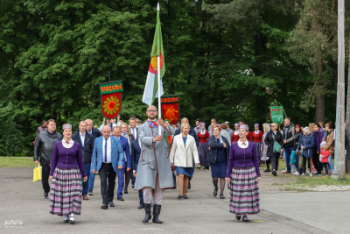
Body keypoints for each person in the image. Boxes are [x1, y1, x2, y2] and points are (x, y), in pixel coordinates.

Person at [134, 105, 175, 224]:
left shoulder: (161, 124)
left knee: (159, 188)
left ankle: (156, 216)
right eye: (150, 110)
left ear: (157, 112)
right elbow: (141, 139)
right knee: (146, 187)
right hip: (147, 160)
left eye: (154, 110)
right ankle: (147, 214)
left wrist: (163, 125)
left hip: (161, 160)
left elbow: (172, 132)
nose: (152, 112)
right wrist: (154, 139)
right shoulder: (141, 126)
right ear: (146, 112)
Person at [49, 123, 87, 224]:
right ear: (63, 133)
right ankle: (65, 215)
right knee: (63, 194)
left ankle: (72, 214)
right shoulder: (57, 144)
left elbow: (80, 161)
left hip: (73, 171)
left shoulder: (77, 145)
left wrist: (84, 174)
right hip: (60, 172)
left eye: (70, 130)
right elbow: (53, 160)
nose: (68, 132)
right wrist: (51, 173)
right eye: (66, 131)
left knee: (74, 193)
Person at [225, 124, 261, 222]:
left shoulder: (252, 145)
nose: (240, 132)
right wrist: (228, 175)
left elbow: (256, 161)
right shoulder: (234, 145)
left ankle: (245, 214)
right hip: (237, 172)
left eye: (242, 130)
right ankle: (238, 211)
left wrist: (258, 174)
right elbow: (231, 160)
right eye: (239, 130)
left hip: (250, 172)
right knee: (238, 193)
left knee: (247, 194)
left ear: (246, 132)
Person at [91, 125, 124, 209]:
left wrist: (120, 162)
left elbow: (120, 152)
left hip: (112, 164)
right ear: (102, 132)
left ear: (110, 132)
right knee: (103, 181)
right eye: (105, 132)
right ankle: (104, 201)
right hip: (102, 164)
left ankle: (110, 199)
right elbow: (94, 154)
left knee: (112, 182)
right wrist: (93, 167)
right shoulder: (97, 140)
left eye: (108, 132)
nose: (106, 134)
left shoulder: (115, 140)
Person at [34, 119, 63, 199]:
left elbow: (63, 148)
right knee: (44, 179)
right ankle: (46, 190)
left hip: (56, 162)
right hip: (44, 160)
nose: (53, 126)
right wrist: (36, 158)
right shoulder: (41, 135)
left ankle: (57, 192)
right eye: (51, 124)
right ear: (47, 125)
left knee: (57, 179)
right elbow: (36, 147)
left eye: (54, 124)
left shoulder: (59, 136)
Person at [170, 123, 200, 199]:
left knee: (186, 176)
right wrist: (171, 159)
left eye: (188, 129)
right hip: (179, 159)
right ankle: (180, 193)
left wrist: (197, 160)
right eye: (185, 128)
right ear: (182, 129)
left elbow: (194, 150)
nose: (186, 130)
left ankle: (184, 193)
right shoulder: (176, 137)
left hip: (188, 159)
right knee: (180, 175)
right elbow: (173, 149)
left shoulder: (191, 138)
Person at [72, 121, 95, 200]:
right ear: (79, 126)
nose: (83, 127)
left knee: (85, 177)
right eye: (81, 125)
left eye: (84, 126)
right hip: (76, 161)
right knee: (76, 178)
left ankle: (84, 193)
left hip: (87, 160)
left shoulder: (90, 136)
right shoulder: (74, 136)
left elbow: (93, 149)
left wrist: (92, 159)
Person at [207, 125, 230, 199]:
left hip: (223, 161)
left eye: (216, 130)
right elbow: (212, 145)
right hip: (214, 161)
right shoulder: (211, 138)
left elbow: (228, 147)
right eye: (214, 130)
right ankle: (216, 187)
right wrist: (222, 145)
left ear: (219, 131)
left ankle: (221, 193)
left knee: (222, 177)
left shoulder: (224, 139)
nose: (215, 131)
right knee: (215, 178)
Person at [112, 126, 131, 201]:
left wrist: (129, 165)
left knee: (121, 180)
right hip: (111, 162)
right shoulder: (109, 139)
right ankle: (110, 194)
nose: (116, 134)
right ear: (113, 132)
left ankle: (119, 194)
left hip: (121, 162)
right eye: (115, 133)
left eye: (118, 133)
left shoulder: (125, 140)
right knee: (110, 179)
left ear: (120, 132)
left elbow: (128, 153)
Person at [86, 119, 102, 196]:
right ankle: (84, 187)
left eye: (90, 125)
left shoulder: (96, 131)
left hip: (94, 154)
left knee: (92, 172)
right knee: (85, 172)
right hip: (85, 155)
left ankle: (90, 188)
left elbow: (102, 138)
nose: (89, 127)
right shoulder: (81, 133)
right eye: (87, 125)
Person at [120, 122, 135, 191]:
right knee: (121, 172)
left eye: (125, 127)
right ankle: (121, 186)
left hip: (130, 155)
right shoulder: (119, 136)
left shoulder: (131, 136)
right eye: (122, 128)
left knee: (128, 172)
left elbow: (134, 144)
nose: (124, 129)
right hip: (122, 156)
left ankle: (126, 187)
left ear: (127, 128)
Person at [131, 137, 144, 209]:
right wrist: (134, 169)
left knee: (148, 184)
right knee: (140, 185)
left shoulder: (148, 140)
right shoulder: (134, 143)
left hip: (148, 165)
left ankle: (148, 201)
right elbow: (132, 156)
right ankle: (141, 202)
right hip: (138, 166)